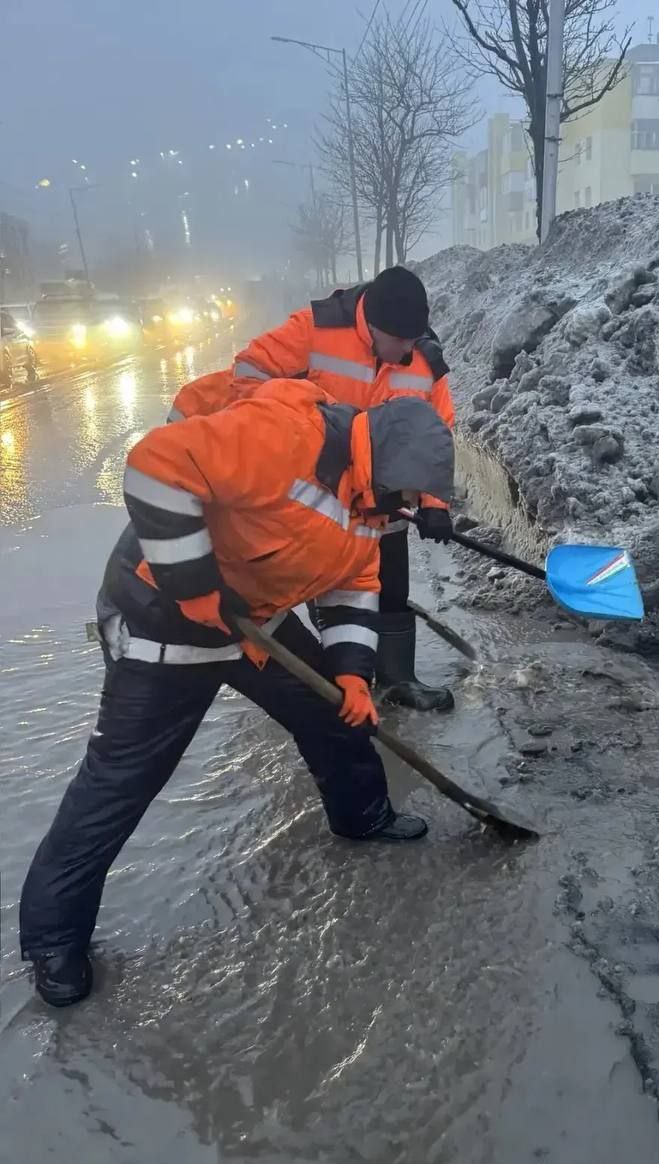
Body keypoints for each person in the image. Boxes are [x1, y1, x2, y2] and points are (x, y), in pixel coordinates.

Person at [19, 379, 454, 1008]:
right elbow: (153, 469)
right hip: (163, 622)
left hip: (256, 622)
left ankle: (364, 816)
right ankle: (53, 936)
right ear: (382, 462)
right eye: (408, 491)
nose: (409, 506)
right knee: (120, 781)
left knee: (335, 713)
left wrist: (354, 672)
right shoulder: (284, 434)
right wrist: (193, 585)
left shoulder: (371, 504)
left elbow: (353, 583)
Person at [231, 265, 456, 712]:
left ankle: (397, 680)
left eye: (416, 339)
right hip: (320, 495)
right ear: (372, 327)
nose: (410, 351)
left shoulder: (425, 359)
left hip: (385, 500)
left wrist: (434, 503)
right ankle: (340, 676)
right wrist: (294, 435)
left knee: (391, 587)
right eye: (401, 342)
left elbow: (437, 434)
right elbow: (247, 373)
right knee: (329, 585)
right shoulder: (316, 329)